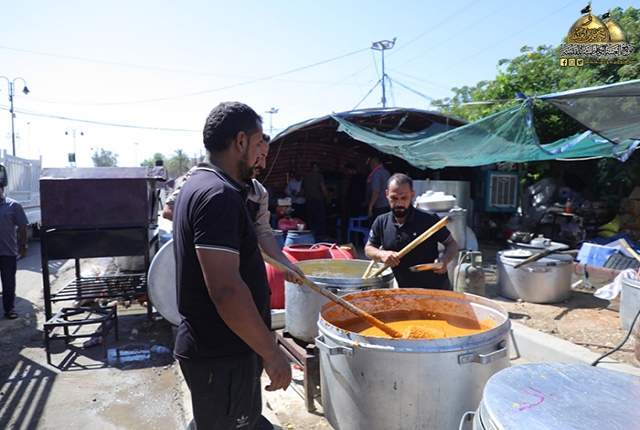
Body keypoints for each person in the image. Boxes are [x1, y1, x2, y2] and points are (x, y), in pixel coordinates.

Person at [172, 102, 292, 430]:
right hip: (222, 354)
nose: (259, 156)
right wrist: (272, 353)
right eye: (257, 144)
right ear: (241, 141)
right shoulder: (219, 196)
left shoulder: (197, 184)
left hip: (220, 351)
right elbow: (226, 290)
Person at [162, 135, 303, 285]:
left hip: (245, 270)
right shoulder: (200, 178)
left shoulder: (258, 192)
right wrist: (217, 228)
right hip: (206, 272)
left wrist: (285, 263)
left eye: (265, 158)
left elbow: (263, 232)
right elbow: (169, 210)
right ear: (243, 149)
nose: (263, 165)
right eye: (260, 156)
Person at [365, 173, 458, 290]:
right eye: (394, 198)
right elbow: (369, 249)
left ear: (412, 195)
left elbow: (451, 243)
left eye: (404, 198)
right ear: (387, 194)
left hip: (435, 289)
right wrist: (382, 254)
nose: (399, 203)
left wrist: (444, 260)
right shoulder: (381, 222)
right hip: (405, 290)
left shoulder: (429, 219)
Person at [0, 183, 28, 319]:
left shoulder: (13, 206)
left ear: (2, 189)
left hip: (8, 252)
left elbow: (22, 227)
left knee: (8, 283)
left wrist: (23, 246)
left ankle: (9, 309)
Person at [301, 161, 328, 240]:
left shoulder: (305, 177)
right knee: (320, 221)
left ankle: (310, 239)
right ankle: (320, 239)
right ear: (318, 168)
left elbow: (301, 192)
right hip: (318, 201)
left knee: (310, 222)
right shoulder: (319, 176)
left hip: (309, 202)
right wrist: (327, 197)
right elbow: (323, 188)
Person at [365, 155, 391, 223]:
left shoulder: (376, 174)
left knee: (377, 226)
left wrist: (370, 206)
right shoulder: (387, 172)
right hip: (388, 204)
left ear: (373, 163)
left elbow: (375, 191)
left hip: (379, 206)